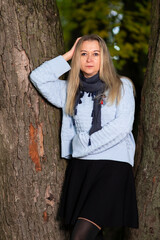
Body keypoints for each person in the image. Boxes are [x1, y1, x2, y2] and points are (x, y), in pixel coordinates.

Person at [30, 34, 138, 240]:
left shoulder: (121, 85)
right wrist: (68, 55)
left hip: (113, 167)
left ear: (103, 57)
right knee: (92, 235)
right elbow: (39, 77)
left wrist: (84, 144)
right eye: (84, 54)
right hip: (82, 168)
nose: (89, 59)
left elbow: (122, 127)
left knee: (80, 236)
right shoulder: (71, 90)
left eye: (95, 54)